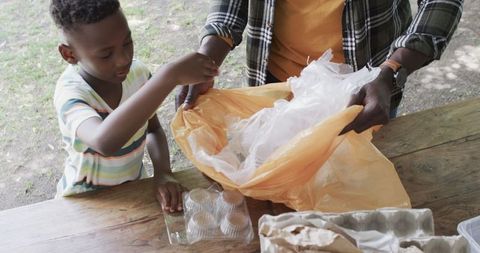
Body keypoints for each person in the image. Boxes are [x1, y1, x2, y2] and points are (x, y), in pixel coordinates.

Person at [176, 0, 463, 134]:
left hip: (364, 92)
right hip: (277, 86)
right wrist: (207, 58)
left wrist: (392, 71)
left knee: (357, 194)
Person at [50, 0, 218, 213]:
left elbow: (153, 129)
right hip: (86, 203)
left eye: (127, 43)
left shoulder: (137, 75)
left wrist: (163, 171)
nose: (123, 59)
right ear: (69, 54)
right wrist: (168, 77)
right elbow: (104, 141)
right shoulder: (70, 94)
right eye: (106, 54)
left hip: (132, 191)